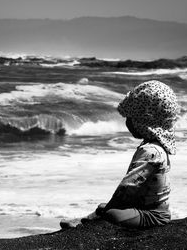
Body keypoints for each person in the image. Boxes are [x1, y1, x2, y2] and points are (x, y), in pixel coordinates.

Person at [60, 80, 179, 228]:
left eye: (130, 117)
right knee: (105, 207)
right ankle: (89, 220)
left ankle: (85, 225)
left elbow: (127, 188)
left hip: (153, 215)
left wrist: (110, 208)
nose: (127, 122)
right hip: (143, 206)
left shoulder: (151, 152)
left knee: (112, 213)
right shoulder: (155, 146)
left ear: (144, 121)